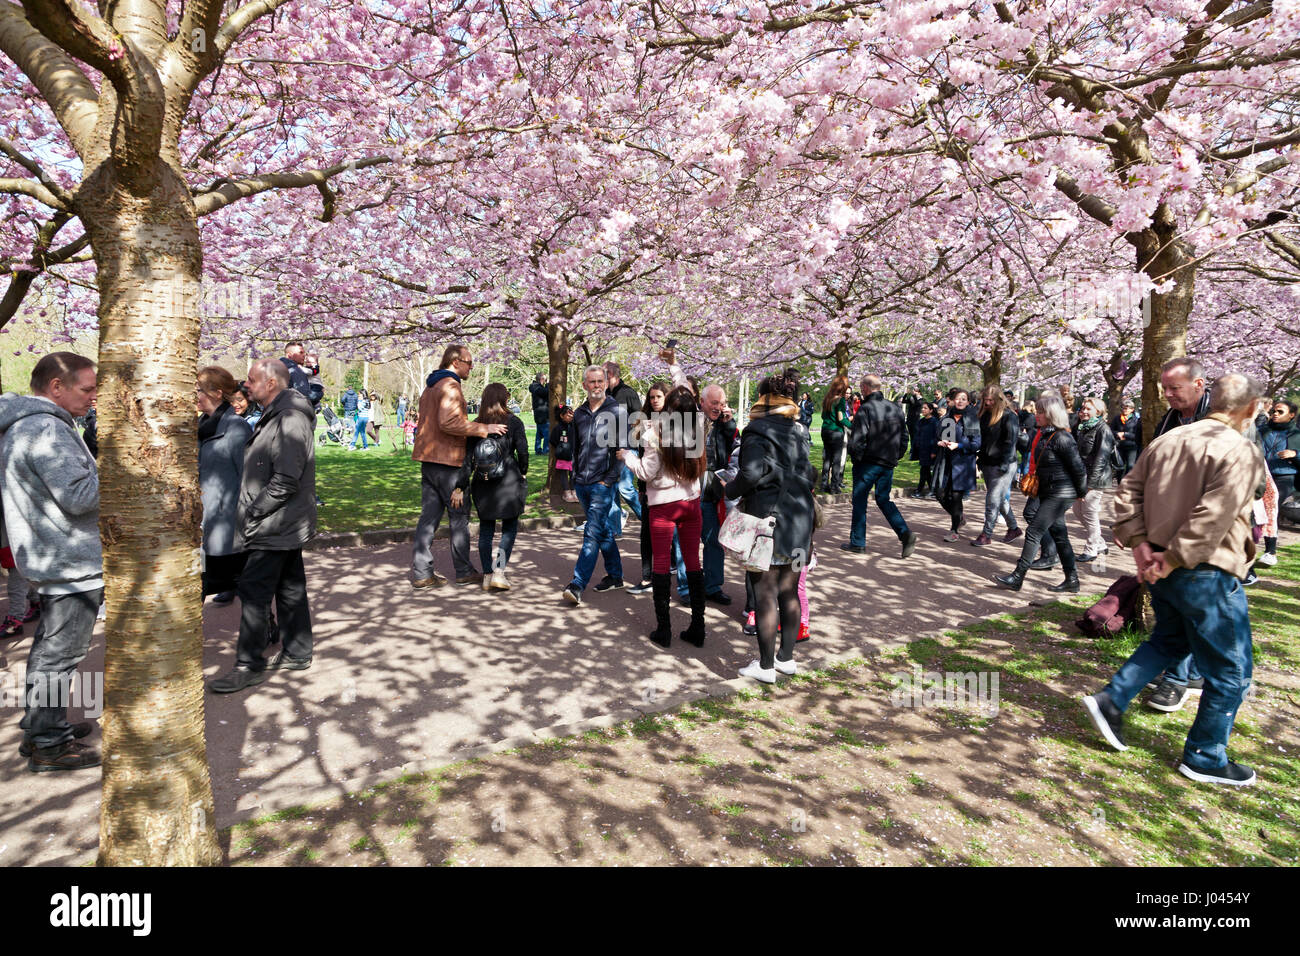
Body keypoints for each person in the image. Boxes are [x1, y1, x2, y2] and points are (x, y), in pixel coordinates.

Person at [1082, 374, 1267, 787]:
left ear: (1210, 398)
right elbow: (1213, 515)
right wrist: (1166, 556)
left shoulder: (1168, 439)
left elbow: (1127, 492)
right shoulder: (1239, 450)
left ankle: (1112, 699)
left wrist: (1141, 544)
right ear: (1252, 408)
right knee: (1231, 669)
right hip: (1204, 571)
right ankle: (1205, 755)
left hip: (1164, 566)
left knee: (1170, 639)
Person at [0, 352, 102, 771]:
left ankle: (43, 724)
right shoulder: (44, 428)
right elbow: (78, 497)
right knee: (59, 655)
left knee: (51, 649)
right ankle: (48, 743)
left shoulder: (27, 424)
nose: (94, 397)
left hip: (52, 554)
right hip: (68, 559)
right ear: (56, 387)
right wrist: (122, 469)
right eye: (87, 388)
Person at [208, 359, 317, 693]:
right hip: (278, 522)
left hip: (275, 523)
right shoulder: (277, 416)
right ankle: (297, 652)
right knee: (289, 588)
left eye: (252, 380)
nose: (246, 385)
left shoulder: (289, 419)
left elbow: (286, 480)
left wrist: (253, 511)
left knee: (254, 592)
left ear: (271, 383)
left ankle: (249, 664)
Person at [725, 368, 816, 683]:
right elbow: (810, 474)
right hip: (802, 521)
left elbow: (748, 474)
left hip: (768, 522)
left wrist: (726, 490)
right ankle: (786, 659)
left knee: (764, 592)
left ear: (763, 397)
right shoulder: (801, 431)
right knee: (789, 591)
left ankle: (765, 666)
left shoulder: (756, 430)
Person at [410, 345, 508, 589]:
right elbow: (449, 422)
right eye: (469, 362)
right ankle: (463, 571)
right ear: (455, 362)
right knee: (459, 519)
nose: (471, 367)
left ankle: (422, 573)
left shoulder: (430, 386)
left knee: (428, 519)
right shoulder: (450, 386)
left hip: (429, 461)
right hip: (450, 463)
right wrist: (484, 429)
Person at [620, 386, 707, 647]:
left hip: (663, 506)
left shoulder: (654, 433)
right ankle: (698, 627)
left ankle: (664, 629)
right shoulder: (697, 428)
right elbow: (687, 394)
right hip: (690, 503)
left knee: (660, 564)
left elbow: (646, 472)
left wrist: (627, 457)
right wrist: (674, 366)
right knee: (693, 563)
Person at [994, 390, 1087, 592]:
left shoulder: (1062, 437)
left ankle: (1018, 577)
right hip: (1049, 491)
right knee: (1060, 535)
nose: (1037, 415)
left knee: (1034, 531)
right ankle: (1072, 580)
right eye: (1037, 411)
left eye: (1041, 412)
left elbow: (1078, 469)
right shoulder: (1046, 434)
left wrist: (1081, 494)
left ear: (1052, 414)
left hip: (1060, 493)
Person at [562, 365, 629, 604]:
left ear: (606, 383)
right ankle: (615, 575)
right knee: (602, 531)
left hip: (603, 483)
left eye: (601, 381)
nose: (597, 385)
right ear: (584, 385)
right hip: (582, 482)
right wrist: (575, 476)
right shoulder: (579, 414)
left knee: (591, 532)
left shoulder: (617, 411)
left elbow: (623, 449)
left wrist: (608, 480)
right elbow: (575, 448)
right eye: (592, 382)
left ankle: (577, 584)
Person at [456, 383, 528, 592]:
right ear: (505, 399)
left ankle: (487, 574)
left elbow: (467, 460)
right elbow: (522, 451)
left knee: (486, 530)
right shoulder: (514, 422)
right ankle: (499, 570)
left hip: (482, 482)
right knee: (509, 528)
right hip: (508, 481)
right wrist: (523, 470)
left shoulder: (476, 425)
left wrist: (461, 485)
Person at [840, 374, 917, 558]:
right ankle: (904, 533)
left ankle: (858, 542)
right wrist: (895, 456)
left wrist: (857, 458)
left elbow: (858, 440)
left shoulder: (866, 409)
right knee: (883, 500)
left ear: (865, 388)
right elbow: (905, 437)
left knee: (859, 501)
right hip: (887, 463)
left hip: (868, 463)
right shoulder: (895, 408)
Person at [197, 366, 254, 606]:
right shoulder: (199, 425)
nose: (194, 395)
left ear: (217, 393)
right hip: (201, 523)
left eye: (199, 390)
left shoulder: (236, 428)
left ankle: (263, 628)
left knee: (246, 587)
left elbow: (248, 479)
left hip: (227, 527)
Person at [972, 386, 1022, 547]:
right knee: (999, 499)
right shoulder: (984, 415)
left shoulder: (1009, 416)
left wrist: (1005, 463)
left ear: (999, 400)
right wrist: (980, 459)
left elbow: (1011, 441)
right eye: (985, 400)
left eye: (990, 400)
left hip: (1004, 463)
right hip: (987, 462)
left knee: (992, 498)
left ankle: (987, 533)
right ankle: (1013, 528)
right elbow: (983, 440)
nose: (987, 403)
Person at [1073, 397, 1116, 563]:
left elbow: (1101, 458)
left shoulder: (1103, 429)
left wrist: (1090, 484)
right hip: (1082, 476)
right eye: (1082, 408)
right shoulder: (1083, 427)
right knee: (1078, 511)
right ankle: (1100, 543)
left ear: (1098, 411)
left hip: (1095, 479)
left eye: (1087, 409)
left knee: (1090, 513)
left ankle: (1091, 549)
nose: (1083, 411)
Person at [603, 362, 643, 537]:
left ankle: (647, 519)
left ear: (611, 374)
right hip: (608, 448)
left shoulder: (628, 393)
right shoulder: (603, 394)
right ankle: (614, 529)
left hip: (627, 447)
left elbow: (640, 418)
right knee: (610, 488)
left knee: (625, 488)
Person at [936, 389, 981, 542]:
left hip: (963, 464)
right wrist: (940, 442)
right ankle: (959, 518)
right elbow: (941, 436)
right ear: (953, 400)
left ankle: (954, 530)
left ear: (968, 402)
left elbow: (976, 444)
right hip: (946, 462)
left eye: (964, 399)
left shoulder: (972, 418)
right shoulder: (948, 417)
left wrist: (959, 445)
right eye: (958, 398)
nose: (960, 401)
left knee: (956, 498)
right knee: (940, 493)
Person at [1258, 399, 1298, 567]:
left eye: (1280, 412)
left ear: (1291, 415)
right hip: (1260, 475)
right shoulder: (1262, 430)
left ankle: (1270, 552)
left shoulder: (1297, 435)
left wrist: (1295, 454)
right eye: (1274, 411)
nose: (1275, 413)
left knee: (1270, 507)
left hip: (1284, 478)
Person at [818, 375, 852, 494]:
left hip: (825, 430)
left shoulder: (827, 398)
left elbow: (823, 416)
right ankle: (834, 486)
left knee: (827, 458)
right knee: (836, 460)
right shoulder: (841, 400)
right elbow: (841, 418)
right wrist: (853, 426)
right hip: (836, 431)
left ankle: (823, 485)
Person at [912, 402, 939, 497]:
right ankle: (933, 490)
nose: (923, 410)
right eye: (922, 408)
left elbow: (937, 438)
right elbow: (917, 436)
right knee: (926, 470)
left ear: (931, 410)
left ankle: (919, 491)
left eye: (925, 408)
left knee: (924, 470)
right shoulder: (921, 421)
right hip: (922, 450)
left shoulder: (935, 422)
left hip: (930, 450)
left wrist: (934, 451)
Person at [553, 404, 578, 502]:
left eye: (571, 414)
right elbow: (553, 440)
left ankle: (574, 491)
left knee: (573, 474)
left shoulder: (573, 426)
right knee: (564, 474)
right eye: (568, 415)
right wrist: (561, 447)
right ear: (561, 416)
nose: (571, 416)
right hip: (563, 455)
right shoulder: (558, 428)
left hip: (573, 455)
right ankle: (567, 493)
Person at [1110, 400, 1141, 478]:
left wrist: (1125, 434)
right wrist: (1117, 434)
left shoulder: (1136, 420)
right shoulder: (1117, 418)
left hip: (1132, 446)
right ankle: (1120, 483)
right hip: (1119, 445)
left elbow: (1137, 435)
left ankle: (1127, 484)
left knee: (1130, 466)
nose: (1125, 410)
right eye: (1124, 408)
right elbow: (1110, 431)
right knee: (1120, 466)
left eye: (1128, 408)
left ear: (1132, 409)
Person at [529, 373, 551, 454]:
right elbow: (545, 392)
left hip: (539, 415)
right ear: (541, 379)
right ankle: (546, 450)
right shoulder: (537, 387)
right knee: (547, 434)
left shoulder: (535, 387)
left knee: (539, 434)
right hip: (543, 415)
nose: (545, 381)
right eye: (544, 379)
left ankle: (538, 450)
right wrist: (548, 384)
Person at [902, 387, 923, 459]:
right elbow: (903, 401)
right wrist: (906, 394)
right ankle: (912, 449)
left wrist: (914, 396)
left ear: (919, 392)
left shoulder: (920, 400)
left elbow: (916, 404)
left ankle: (915, 450)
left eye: (915, 391)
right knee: (911, 436)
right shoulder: (912, 398)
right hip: (910, 420)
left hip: (916, 420)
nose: (913, 392)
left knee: (915, 435)